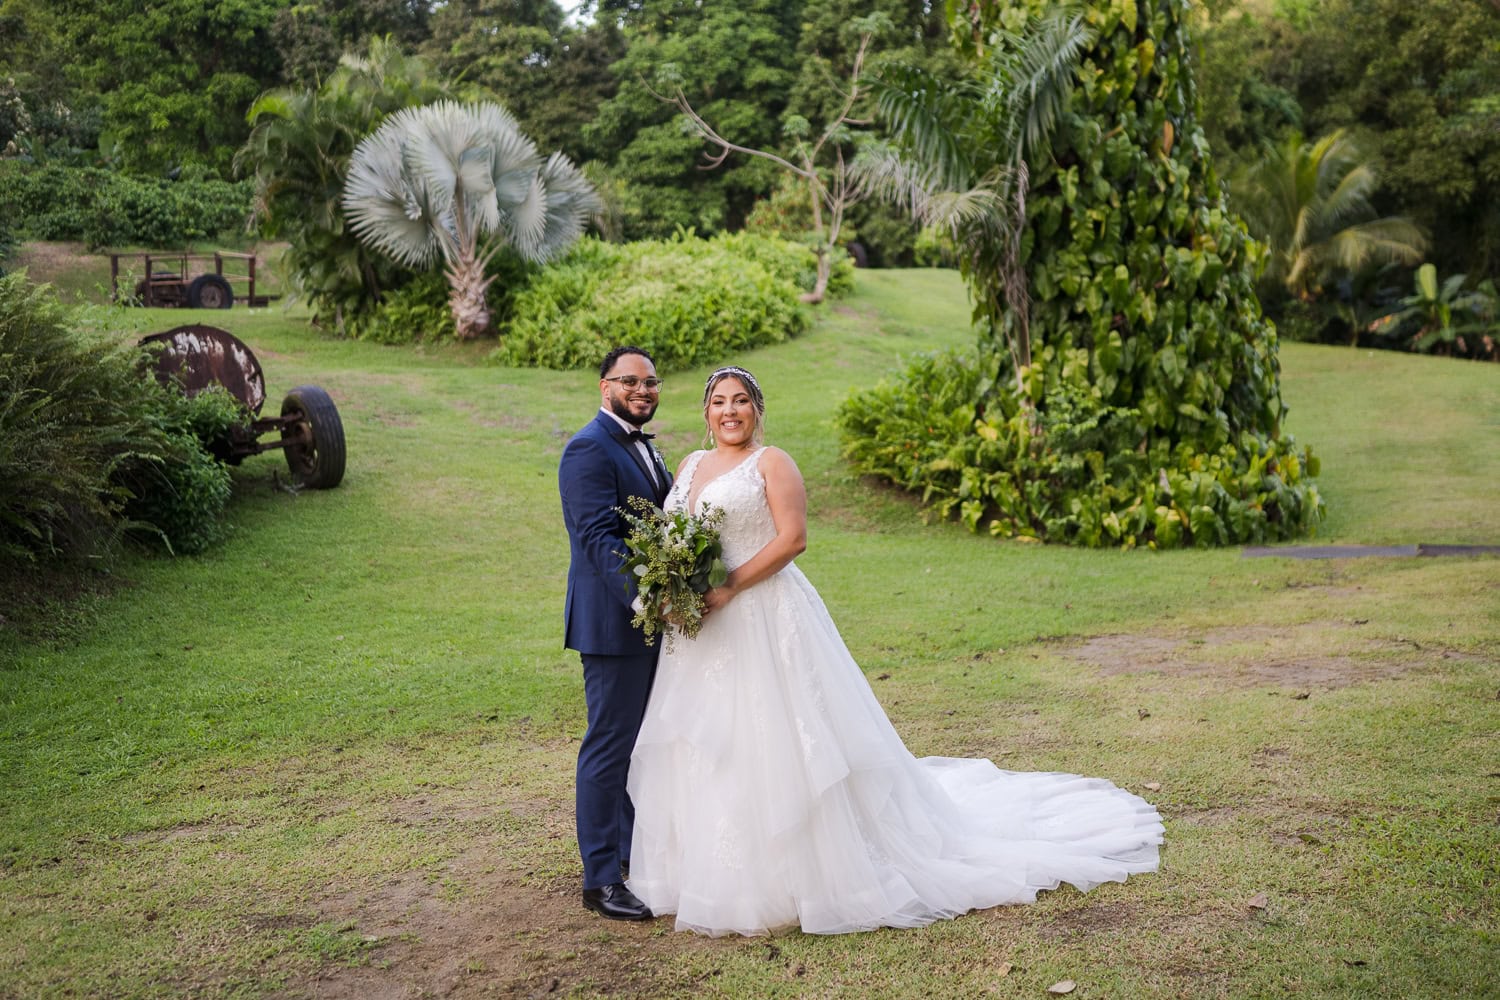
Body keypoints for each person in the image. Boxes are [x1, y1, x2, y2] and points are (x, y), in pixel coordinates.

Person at [626, 366, 1164, 936]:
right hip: (702, 629)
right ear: (705, 412)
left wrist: (729, 586)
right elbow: (676, 536)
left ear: (758, 409)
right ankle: (703, 874)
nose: (729, 411)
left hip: (761, 612)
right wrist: (675, 587)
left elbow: (792, 539)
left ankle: (800, 877)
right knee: (711, 741)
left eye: (740, 401)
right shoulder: (686, 465)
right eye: (718, 402)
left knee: (777, 736)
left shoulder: (773, 463)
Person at [558, 346, 673, 921]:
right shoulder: (588, 448)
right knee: (609, 748)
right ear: (605, 386)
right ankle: (600, 879)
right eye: (631, 381)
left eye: (651, 382)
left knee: (639, 744)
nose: (643, 390)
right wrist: (651, 598)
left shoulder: (645, 447)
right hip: (614, 624)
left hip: (653, 623)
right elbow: (598, 538)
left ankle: (631, 855)